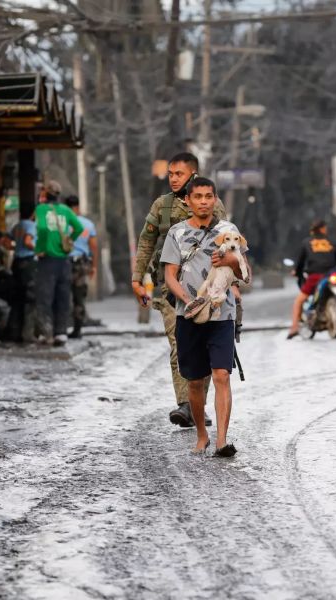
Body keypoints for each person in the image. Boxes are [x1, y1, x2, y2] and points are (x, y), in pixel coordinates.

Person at [131, 152, 226, 427]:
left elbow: (225, 243)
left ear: (193, 175)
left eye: (179, 174)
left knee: (205, 349)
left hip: (205, 291)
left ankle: (197, 405)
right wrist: (137, 279)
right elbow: (146, 242)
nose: (173, 179)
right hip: (170, 290)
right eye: (170, 174)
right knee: (179, 345)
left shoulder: (212, 205)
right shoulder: (162, 206)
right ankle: (186, 405)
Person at [160, 177, 249, 456]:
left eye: (208, 196)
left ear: (214, 199)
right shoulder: (175, 233)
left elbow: (246, 275)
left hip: (222, 316)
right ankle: (201, 435)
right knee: (195, 381)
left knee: (222, 374)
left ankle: (222, 440)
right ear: (188, 201)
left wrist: (231, 261)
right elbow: (169, 276)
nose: (203, 201)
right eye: (197, 196)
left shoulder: (229, 231)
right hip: (188, 316)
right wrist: (189, 301)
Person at [34, 180, 84, 346]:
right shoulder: (66, 210)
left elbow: (41, 228)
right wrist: (69, 240)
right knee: (62, 296)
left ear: (46, 193)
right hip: (64, 261)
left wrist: (40, 247)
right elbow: (78, 227)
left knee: (45, 297)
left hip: (47, 260)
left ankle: (45, 332)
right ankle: (61, 332)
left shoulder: (41, 209)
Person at [287, 220, 336, 339]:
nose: (326, 230)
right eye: (325, 227)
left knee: (298, 301)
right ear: (322, 229)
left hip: (315, 276)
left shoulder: (307, 242)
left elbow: (300, 263)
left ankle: (294, 327)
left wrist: (296, 272)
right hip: (332, 274)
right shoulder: (331, 241)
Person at [63, 195, 98, 339]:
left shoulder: (62, 223)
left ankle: (60, 329)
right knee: (79, 297)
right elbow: (94, 247)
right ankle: (77, 330)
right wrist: (93, 267)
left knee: (62, 296)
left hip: (63, 262)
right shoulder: (87, 224)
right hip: (81, 264)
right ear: (77, 207)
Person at [8, 206, 38, 343]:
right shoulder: (31, 225)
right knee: (30, 298)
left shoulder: (17, 226)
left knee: (17, 299)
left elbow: (9, 242)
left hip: (16, 263)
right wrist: (38, 249)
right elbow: (28, 241)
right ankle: (27, 334)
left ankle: (14, 332)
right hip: (28, 263)